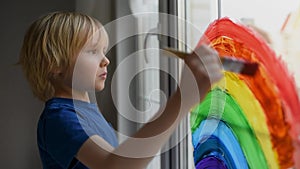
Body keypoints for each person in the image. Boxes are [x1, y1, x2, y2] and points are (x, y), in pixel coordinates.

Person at [19, 11, 223, 169]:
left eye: (103, 51)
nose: (105, 60)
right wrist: (181, 100)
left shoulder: (85, 111)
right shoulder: (59, 119)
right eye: (92, 51)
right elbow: (114, 165)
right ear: (55, 65)